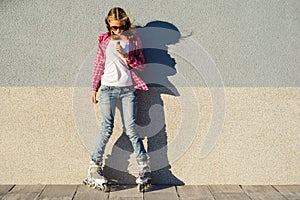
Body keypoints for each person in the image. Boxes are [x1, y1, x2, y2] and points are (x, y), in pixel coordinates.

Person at [83, 7, 151, 192]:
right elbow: (98, 63)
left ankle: (144, 170)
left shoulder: (134, 40)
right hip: (107, 89)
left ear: (125, 25)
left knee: (131, 129)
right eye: (113, 28)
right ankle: (94, 168)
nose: (117, 31)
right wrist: (93, 87)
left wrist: (126, 56)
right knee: (107, 128)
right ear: (109, 26)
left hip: (128, 89)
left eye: (120, 27)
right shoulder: (104, 40)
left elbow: (142, 66)